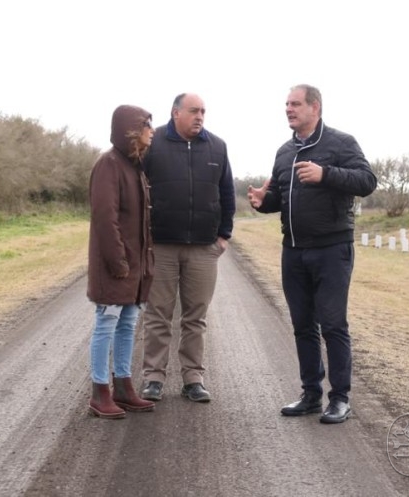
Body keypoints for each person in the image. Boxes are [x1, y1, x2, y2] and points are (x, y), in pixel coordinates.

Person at [248, 84, 377, 424]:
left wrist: (326, 174)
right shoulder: (284, 152)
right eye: (286, 105)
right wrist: (263, 203)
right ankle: (310, 394)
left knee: (333, 324)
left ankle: (341, 399)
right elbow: (279, 198)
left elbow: (367, 181)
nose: (288, 110)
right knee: (303, 324)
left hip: (332, 249)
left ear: (315, 108)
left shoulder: (340, 143)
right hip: (293, 250)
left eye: (295, 104)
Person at [140, 92, 236, 403]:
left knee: (196, 316)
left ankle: (193, 378)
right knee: (158, 314)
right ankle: (153, 377)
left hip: (203, 248)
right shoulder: (152, 145)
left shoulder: (217, 147)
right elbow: (136, 189)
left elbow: (227, 194)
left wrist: (223, 236)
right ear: (175, 113)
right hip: (161, 246)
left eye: (203, 112)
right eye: (194, 111)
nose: (200, 117)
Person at [86, 105, 156, 419]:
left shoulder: (135, 167)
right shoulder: (109, 165)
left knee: (128, 324)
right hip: (116, 265)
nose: (152, 131)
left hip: (134, 266)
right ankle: (100, 392)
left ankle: (124, 387)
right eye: (147, 125)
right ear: (131, 129)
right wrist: (118, 262)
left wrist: (140, 264)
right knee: (107, 322)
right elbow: (105, 218)